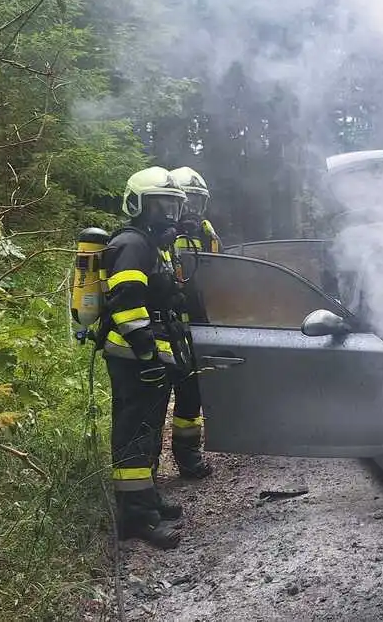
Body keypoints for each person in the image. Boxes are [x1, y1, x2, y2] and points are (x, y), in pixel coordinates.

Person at [100, 166, 191, 549]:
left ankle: (147, 498)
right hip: (132, 355)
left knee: (149, 429)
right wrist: (146, 352)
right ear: (137, 205)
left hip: (147, 353)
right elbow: (126, 303)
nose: (168, 215)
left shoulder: (153, 246)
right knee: (135, 432)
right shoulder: (133, 244)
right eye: (159, 206)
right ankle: (136, 518)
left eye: (172, 206)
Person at [163, 166, 219, 478]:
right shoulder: (160, 236)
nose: (194, 211)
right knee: (157, 400)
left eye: (200, 203)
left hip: (197, 328)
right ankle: (146, 466)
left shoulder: (208, 235)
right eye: (190, 202)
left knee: (191, 397)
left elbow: (220, 277)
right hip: (166, 327)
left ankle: (188, 457)